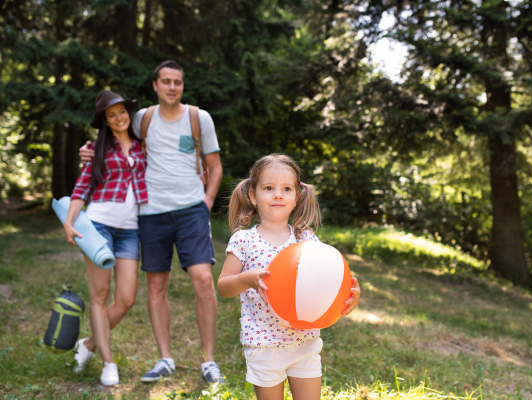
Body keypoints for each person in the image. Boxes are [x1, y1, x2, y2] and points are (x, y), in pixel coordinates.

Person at [79, 60, 224, 383]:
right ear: (155, 85)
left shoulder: (198, 118)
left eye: (178, 82)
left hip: (191, 212)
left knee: (202, 279)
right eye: (166, 81)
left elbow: (215, 167)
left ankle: (209, 361)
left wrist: (207, 203)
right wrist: (89, 151)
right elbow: (113, 139)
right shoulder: (142, 118)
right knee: (156, 285)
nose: (173, 87)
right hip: (150, 214)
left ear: (182, 86)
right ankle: (165, 359)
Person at [217, 154, 361, 400]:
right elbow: (223, 287)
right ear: (252, 195)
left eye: (286, 189)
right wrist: (247, 279)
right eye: (269, 188)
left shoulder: (306, 240)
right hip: (264, 345)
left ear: (297, 196)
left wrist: (347, 296)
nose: (278, 195)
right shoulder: (244, 241)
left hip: (304, 341)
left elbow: (325, 282)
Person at [65, 90, 146, 386]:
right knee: (100, 297)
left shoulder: (142, 147)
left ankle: (87, 345)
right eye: (111, 115)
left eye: (121, 111)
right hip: (98, 225)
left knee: (125, 299)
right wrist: (69, 223)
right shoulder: (98, 150)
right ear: (105, 121)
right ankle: (108, 363)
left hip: (131, 229)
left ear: (128, 113)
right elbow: (82, 188)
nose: (118, 118)